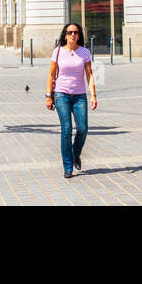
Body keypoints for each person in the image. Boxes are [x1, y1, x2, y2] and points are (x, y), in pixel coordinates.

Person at [45, 23, 97, 179]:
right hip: (61, 95)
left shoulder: (84, 52)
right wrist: (48, 96)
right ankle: (68, 166)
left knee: (82, 129)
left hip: (80, 96)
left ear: (79, 35)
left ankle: (76, 154)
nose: (72, 35)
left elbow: (90, 75)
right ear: (65, 35)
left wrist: (93, 95)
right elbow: (51, 75)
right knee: (66, 130)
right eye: (69, 32)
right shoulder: (58, 51)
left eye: (75, 32)